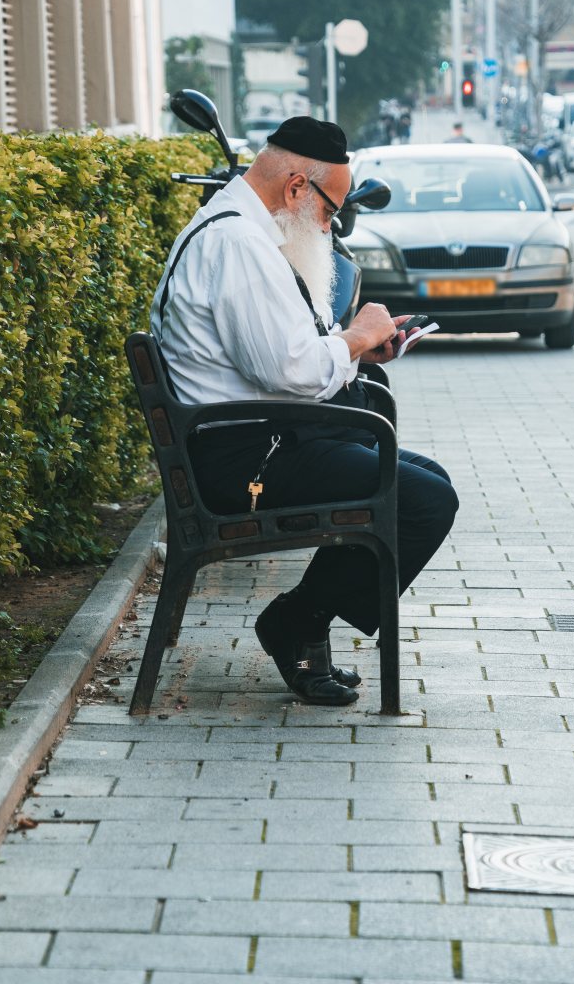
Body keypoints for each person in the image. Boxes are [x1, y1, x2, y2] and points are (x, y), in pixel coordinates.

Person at [150, 116, 458, 706]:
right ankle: (298, 621)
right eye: (330, 209)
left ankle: (301, 619)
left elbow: (283, 362)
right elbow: (292, 372)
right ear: (296, 187)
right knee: (424, 500)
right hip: (242, 462)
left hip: (256, 440)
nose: (330, 223)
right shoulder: (239, 243)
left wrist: (362, 349)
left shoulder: (240, 229)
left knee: (427, 482)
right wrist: (360, 335)